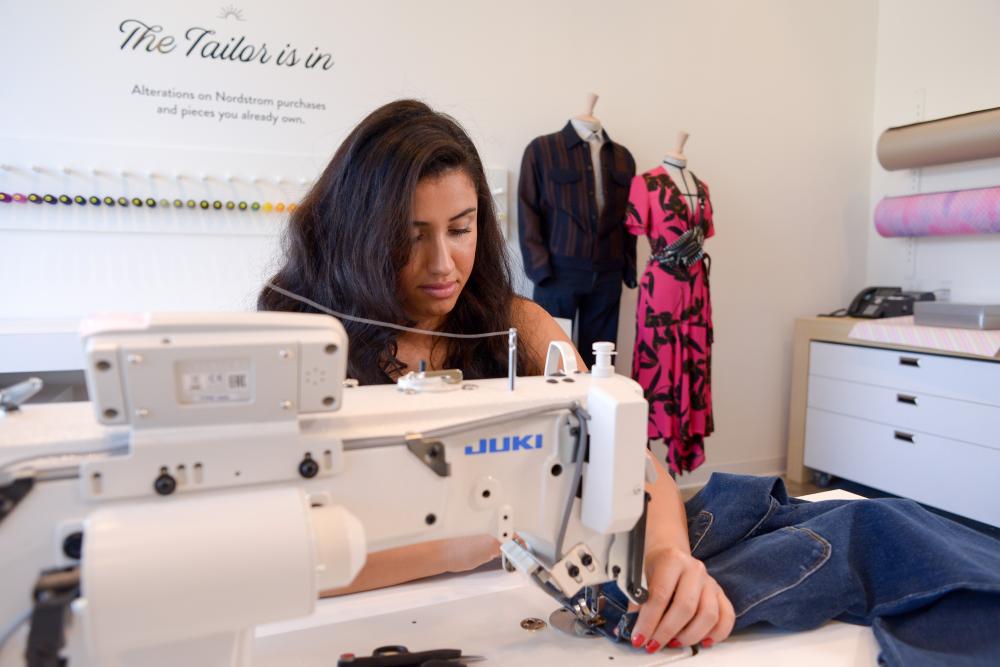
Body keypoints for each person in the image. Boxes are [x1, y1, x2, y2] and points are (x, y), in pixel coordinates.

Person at [259, 99, 734, 654]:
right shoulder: (299, 343)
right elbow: (273, 552)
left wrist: (665, 553)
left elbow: (635, 465)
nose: (443, 265)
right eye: (411, 236)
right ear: (357, 231)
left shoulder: (516, 326)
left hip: (501, 615)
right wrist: (455, 546)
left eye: (460, 229)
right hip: (337, 629)